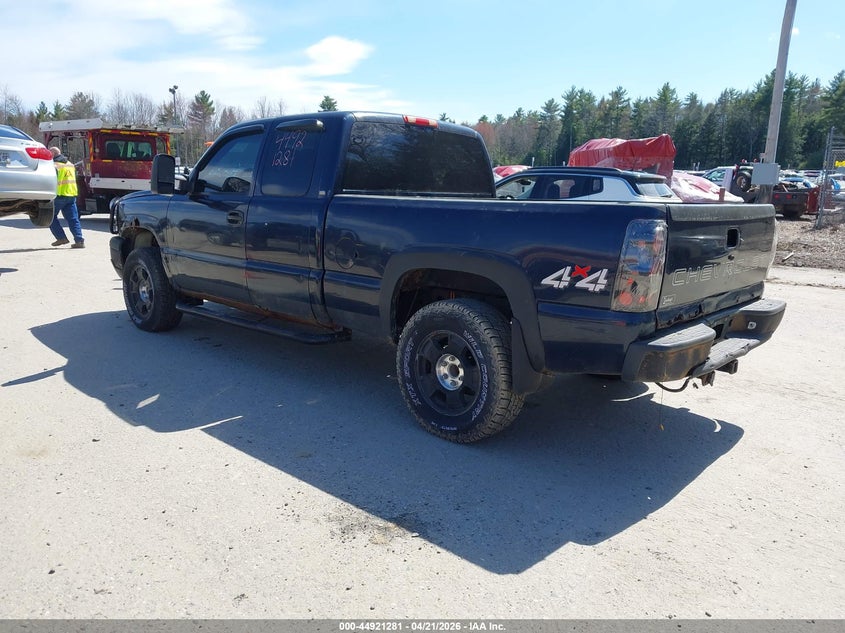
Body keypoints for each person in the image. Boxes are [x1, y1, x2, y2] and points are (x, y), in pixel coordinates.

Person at [48, 146, 84, 248]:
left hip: (59, 195)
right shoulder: (70, 164)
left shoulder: (54, 165)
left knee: (50, 217)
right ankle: (79, 240)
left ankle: (61, 238)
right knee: (73, 219)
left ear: (53, 154)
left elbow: (51, 180)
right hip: (71, 195)